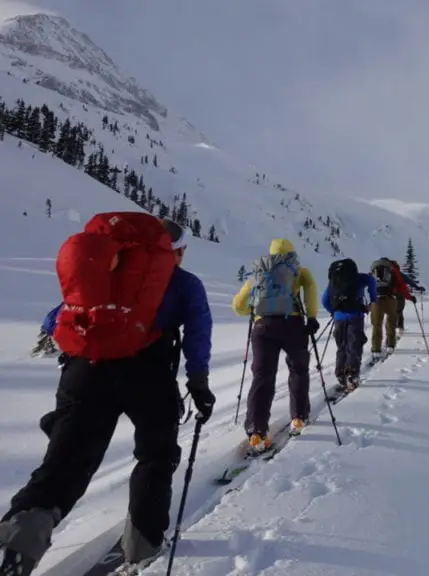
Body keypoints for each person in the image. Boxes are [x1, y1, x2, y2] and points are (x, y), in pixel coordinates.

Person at [0, 215, 215, 575]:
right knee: (156, 454)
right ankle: (142, 543)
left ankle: (18, 540)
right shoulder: (184, 283)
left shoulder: (104, 272)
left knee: (64, 462)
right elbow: (198, 332)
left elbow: (55, 320)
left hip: (84, 370)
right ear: (175, 251)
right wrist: (198, 382)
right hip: (148, 372)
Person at [231, 238, 318, 453]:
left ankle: (256, 431)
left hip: (263, 327)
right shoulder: (298, 270)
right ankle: (298, 417)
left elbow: (238, 306)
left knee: (263, 377)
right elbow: (311, 288)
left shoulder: (259, 272)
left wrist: (256, 311)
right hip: (293, 325)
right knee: (298, 370)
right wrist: (312, 317)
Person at [320, 258, 377, 394]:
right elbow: (372, 282)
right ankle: (351, 375)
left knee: (342, 347)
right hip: (355, 316)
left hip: (339, 318)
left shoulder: (334, 282)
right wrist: (373, 299)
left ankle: (340, 375)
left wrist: (334, 312)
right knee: (354, 346)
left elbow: (324, 301)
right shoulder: (360, 278)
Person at [367, 258, 415, 361]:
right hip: (390, 299)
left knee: (376, 325)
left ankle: (376, 350)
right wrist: (410, 297)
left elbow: (368, 286)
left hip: (376, 300)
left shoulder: (373, 272)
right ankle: (390, 345)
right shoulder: (393, 272)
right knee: (391, 323)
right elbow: (402, 287)